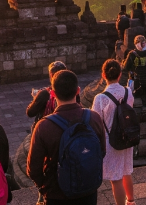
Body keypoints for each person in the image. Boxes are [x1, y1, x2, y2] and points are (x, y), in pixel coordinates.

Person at [28, 70, 106, 205]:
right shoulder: (94, 118)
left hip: (57, 194)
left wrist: (45, 187)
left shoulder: (44, 126)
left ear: (52, 93)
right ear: (78, 91)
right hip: (88, 191)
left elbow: (33, 169)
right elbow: (102, 152)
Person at [92, 60, 136, 205]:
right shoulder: (128, 92)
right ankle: (131, 201)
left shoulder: (100, 98)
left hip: (111, 141)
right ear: (120, 74)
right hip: (127, 137)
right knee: (126, 171)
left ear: (103, 75)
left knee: (116, 179)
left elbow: (96, 122)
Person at [26, 61, 69, 129]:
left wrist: (36, 98)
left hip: (47, 129)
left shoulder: (45, 94)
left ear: (51, 75)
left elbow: (30, 112)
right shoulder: (72, 91)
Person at [122, 35, 146, 104]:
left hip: (137, 83)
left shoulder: (132, 54)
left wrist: (123, 62)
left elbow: (126, 68)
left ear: (135, 44)